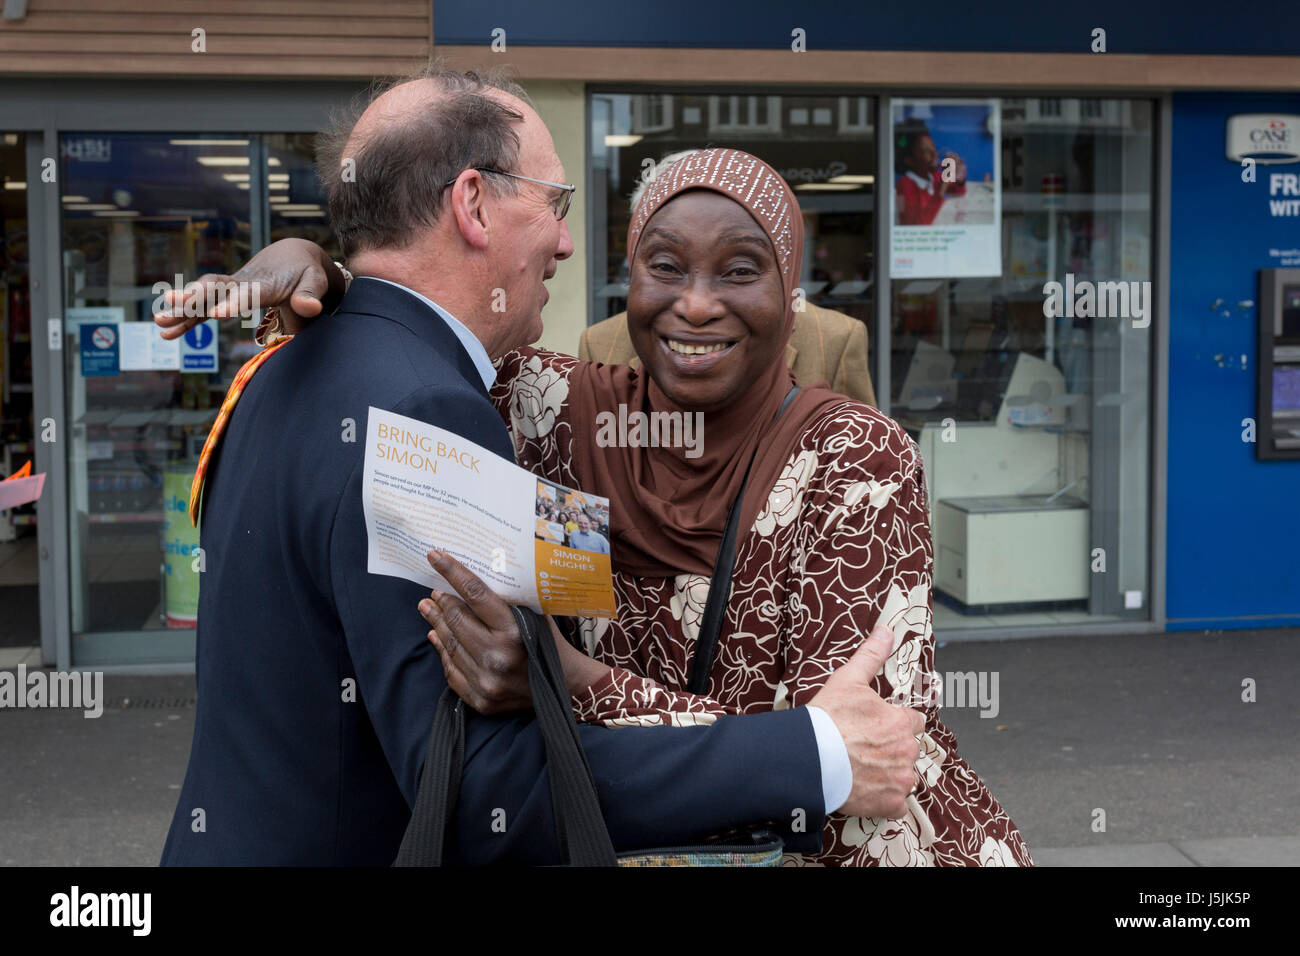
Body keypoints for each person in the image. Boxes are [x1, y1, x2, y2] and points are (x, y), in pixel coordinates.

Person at [155, 69, 926, 865]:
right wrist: (813, 755)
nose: (564, 241)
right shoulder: (446, 409)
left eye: (740, 271)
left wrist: (337, 276)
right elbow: (487, 790)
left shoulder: (289, 366)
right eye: (554, 203)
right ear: (474, 203)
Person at [895, 120, 967, 226]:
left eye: (934, 147)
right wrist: (941, 190)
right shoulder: (905, 184)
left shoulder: (933, 176)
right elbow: (917, 225)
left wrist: (959, 179)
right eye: (926, 151)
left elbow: (958, 191)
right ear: (910, 160)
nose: (935, 153)